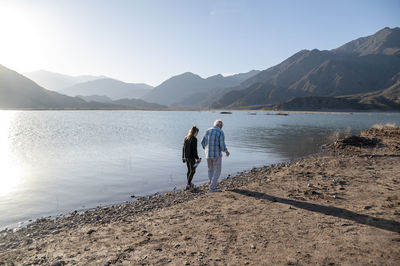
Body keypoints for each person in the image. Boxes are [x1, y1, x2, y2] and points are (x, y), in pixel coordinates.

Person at [201, 120, 230, 192]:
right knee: (217, 170)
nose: (222, 128)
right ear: (220, 126)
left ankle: (211, 184)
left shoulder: (207, 130)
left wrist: (207, 150)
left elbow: (202, 142)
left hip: (208, 154)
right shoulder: (220, 132)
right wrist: (226, 151)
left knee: (210, 169)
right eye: (222, 126)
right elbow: (222, 144)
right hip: (216, 154)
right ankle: (212, 188)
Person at [182, 126, 201, 191]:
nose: (197, 134)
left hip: (186, 157)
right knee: (193, 171)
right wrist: (197, 158)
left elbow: (183, 148)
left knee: (189, 170)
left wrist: (183, 157)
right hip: (191, 158)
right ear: (195, 132)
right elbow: (194, 150)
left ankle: (189, 184)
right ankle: (188, 184)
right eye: (197, 133)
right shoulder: (194, 139)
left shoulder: (186, 138)